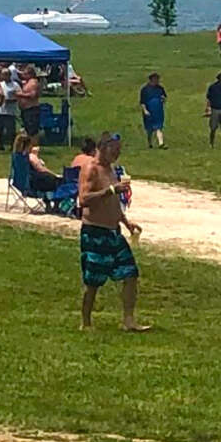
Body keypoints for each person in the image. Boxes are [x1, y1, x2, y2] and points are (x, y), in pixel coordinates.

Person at [76, 134, 147, 332]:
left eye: (119, 151)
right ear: (103, 147)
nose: (117, 155)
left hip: (113, 232)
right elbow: (83, 199)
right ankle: (86, 322)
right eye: (114, 150)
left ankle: (128, 321)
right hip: (95, 232)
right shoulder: (91, 168)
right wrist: (110, 190)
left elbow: (114, 202)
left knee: (130, 273)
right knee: (93, 281)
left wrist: (126, 222)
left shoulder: (111, 169)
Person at [137, 73, 169, 149]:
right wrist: (145, 110)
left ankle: (161, 143)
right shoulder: (145, 89)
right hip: (149, 110)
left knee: (158, 127)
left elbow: (164, 97)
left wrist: (163, 99)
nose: (157, 80)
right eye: (156, 79)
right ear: (151, 79)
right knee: (149, 129)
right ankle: (150, 143)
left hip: (158, 111)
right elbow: (142, 102)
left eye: (158, 79)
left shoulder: (160, 88)